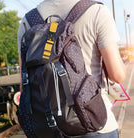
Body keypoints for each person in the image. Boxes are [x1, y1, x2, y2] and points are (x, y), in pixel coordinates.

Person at [17, 0, 126, 137]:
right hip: (93, 122)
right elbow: (117, 75)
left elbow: (24, 86)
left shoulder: (27, 21)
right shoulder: (97, 11)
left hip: (48, 128)